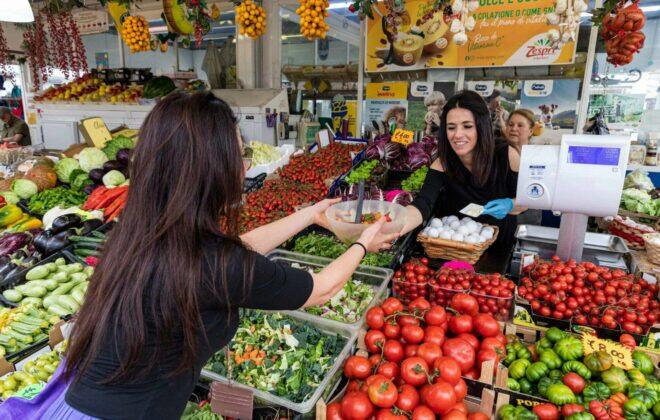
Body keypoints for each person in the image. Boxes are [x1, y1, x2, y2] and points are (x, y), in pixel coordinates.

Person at [0, 92, 397, 419]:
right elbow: (322, 289)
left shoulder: (143, 233)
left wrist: (309, 215)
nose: (245, 168)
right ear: (209, 168)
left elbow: (238, 252)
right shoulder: (208, 259)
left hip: (74, 406)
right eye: (239, 157)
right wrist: (366, 240)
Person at [400, 90, 524, 248]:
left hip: (499, 246)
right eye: (451, 128)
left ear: (481, 127)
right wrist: (396, 227)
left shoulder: (507, 155)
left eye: (467, 126)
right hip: (454, 246)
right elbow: (423, 204)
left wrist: (510, 204)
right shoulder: (442, 163)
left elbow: (526, 200)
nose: (458, 134)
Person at [503, 109, 543, 226]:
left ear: (531, 131)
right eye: (510, 124)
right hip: (503, 218)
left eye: (520, 125)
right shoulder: (499, 153)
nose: (514, 128)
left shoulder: (538, 156)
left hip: (528, 218)